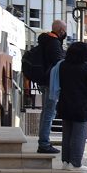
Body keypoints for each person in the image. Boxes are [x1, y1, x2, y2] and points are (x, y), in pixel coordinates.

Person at [56, 41, 87, 172]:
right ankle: (75, 163)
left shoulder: (63, 66)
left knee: (67, 135)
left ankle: (66, 161)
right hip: (81, 106)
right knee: (78, 136)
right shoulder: (86, 68)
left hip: (65, 104)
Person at [36, 20, 66, 154]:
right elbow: (58, 63)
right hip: (51, 82)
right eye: (64, 31)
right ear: (60, 31)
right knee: (49, 112)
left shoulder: (45, 40)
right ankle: (44, 143)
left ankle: (43, 141)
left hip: (43, 80)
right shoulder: (54, 43)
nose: (65, 33)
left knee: (46, 112)